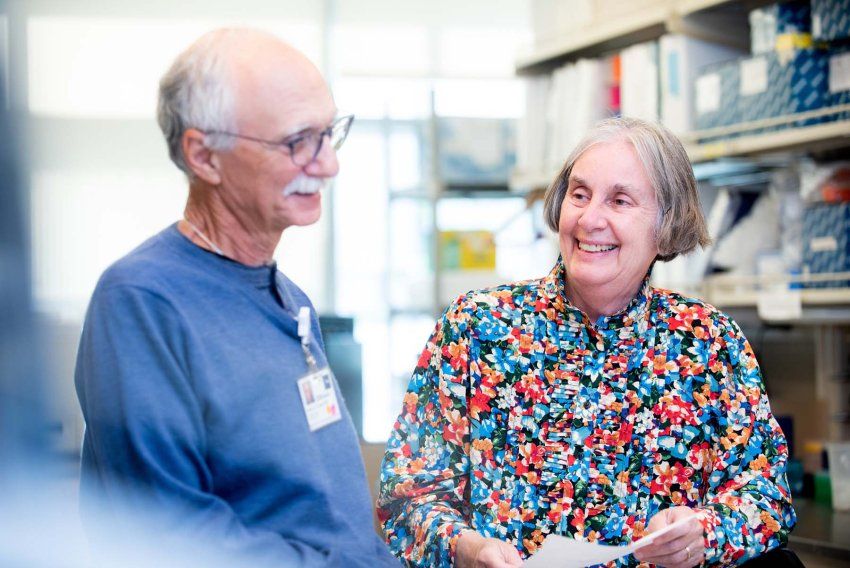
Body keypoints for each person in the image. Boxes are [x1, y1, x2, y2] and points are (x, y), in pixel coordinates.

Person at [378, 117, 796, 568]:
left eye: (619, 200)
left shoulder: (710, 342)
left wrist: (704, 532)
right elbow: (408, 497)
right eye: (579, 195)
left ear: (666, 224)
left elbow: (766, 494)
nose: (590, 219)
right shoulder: (475, 328)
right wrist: (468, 550)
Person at [74, 28, 398, 567]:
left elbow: (321, 515)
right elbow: (172, 537)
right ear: (204, 156)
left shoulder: (291, 301)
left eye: (329, 134)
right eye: (297, 141)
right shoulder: (142, 302)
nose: (328, 165)